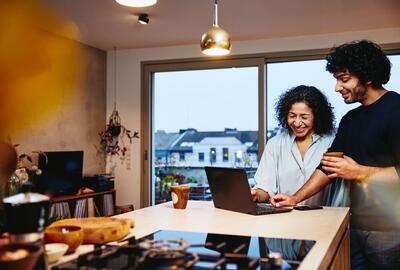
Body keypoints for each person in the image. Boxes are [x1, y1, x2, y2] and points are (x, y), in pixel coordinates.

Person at [271, 40, 400, 269]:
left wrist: (358, 172)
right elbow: (326, 167)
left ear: (367, 76)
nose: (337, 87)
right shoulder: (350, 120)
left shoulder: (396, 109)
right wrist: (294, 199)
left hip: (391, 231)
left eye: (344, 79)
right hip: (353, 225)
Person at [251, 85, 343, 206]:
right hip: (285, 219)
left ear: (317, 116)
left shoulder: (333, 143)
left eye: (304, 117)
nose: (297, 123)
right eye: (292, 116)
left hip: (325, 219)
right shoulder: (275, 144)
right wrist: (255, 195)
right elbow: (265, 188)